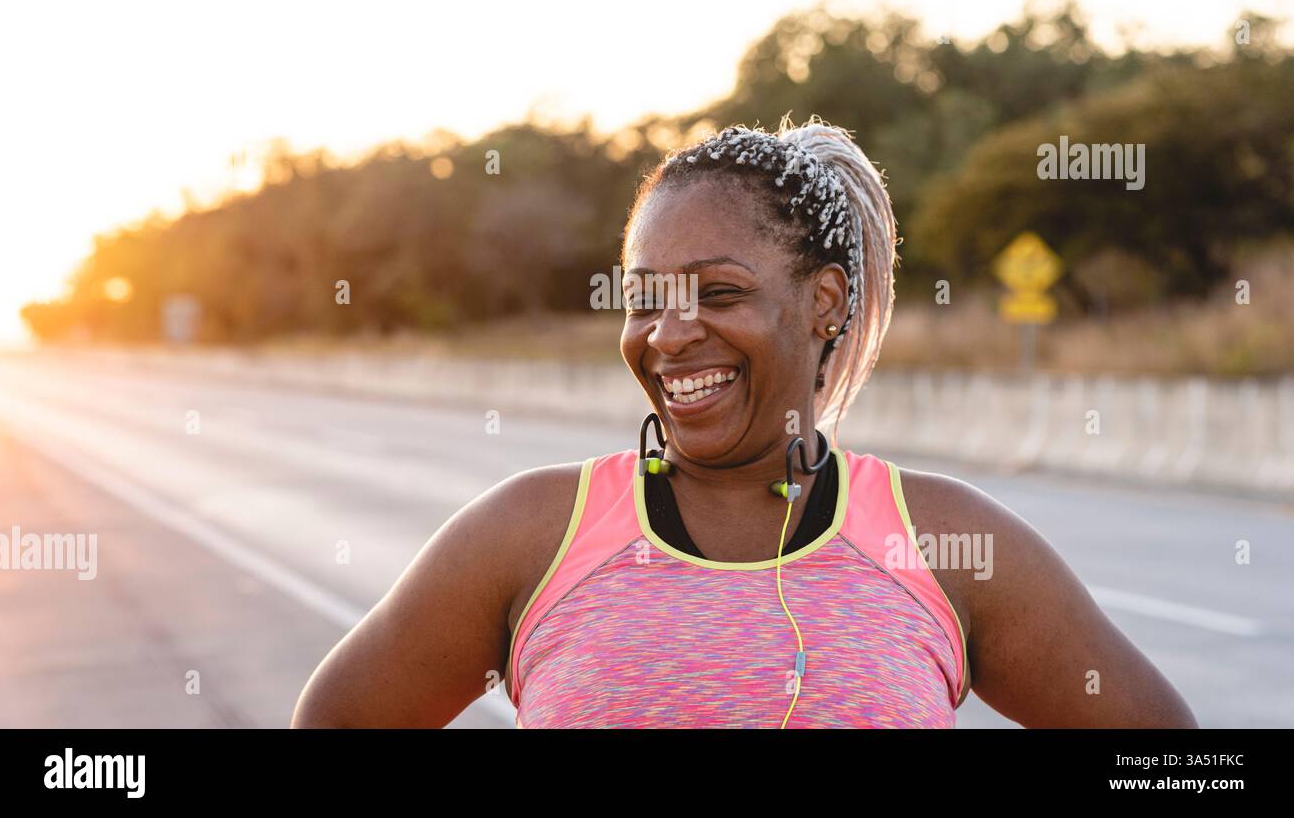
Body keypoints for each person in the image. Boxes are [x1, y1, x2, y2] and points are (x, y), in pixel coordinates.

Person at [291, 117, 1198, 729]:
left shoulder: (946, 540)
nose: (671, 333)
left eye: (719, 293)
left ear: (824, 303)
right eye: (646, 301)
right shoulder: (527, 536)